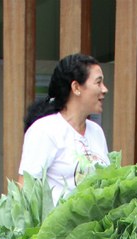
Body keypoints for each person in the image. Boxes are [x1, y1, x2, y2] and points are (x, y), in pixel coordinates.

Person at [18, 54, 110, 204]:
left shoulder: (96, 132)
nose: (104, 89)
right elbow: (25, 191)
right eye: (98, 83)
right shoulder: (44, 130)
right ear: (76, 87)